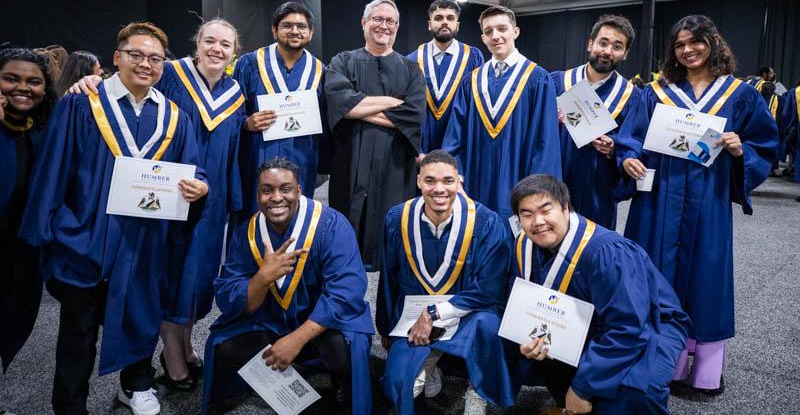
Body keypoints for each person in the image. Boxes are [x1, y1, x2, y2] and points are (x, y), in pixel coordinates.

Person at [19, 22, 209, 415]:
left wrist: (200, 188)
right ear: (117, 57)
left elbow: (193, 170)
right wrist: (47, 234)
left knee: (140, 315)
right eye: (136, 55)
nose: (145, 64)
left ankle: (135, 385)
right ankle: (70, 404)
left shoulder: (174, 117)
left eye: (155, 58)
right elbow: (53, 169)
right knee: (78, 329)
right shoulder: (81, 104)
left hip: (143, 240)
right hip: (85, 238)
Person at [68, 20, 247, 389]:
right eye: (209, 40)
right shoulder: (170, 75)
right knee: (169, 276)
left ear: (234, 53)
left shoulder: (235, 92)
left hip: (207, 204)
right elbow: (131, 93)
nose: (216, 48)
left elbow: (231, 151)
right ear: (195, 44)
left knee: (198, 279)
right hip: (162, 200)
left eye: (225, 44)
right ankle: (170, 353)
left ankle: (182, 343)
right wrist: (90, 82)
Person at [622, 15, 778, 394]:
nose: (688, 50)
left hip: (708, 200)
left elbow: (765, 144)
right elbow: (632, 135)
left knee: (707, 279)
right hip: (659, 199)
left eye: (696, 42)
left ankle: (708, 370)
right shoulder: (655, 91)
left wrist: (742, 150)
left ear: (713, 44)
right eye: (680, 45)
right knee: (659, 274)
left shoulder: (739, 94)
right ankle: (668, 363)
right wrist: (627, 156)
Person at [202, 157, 374, 414]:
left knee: (345, 350)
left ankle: (340, 380)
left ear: (299, 190)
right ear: (258, 193)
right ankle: (284, 382)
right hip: (271, 319)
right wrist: (262, 277)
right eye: (267, 190)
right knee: (226, 346)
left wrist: (295, 340)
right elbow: (228, 296)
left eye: (285, 189)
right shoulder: (247, 233)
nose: (276, 198)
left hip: (323, 323)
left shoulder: (331, 225)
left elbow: (345, 293)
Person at [508, 174, 690, 414]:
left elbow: (629, 327)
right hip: (586, 321)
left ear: (565, 207)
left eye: (545, 210)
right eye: (527, 214)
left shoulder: (606, 252)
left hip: (648, 325)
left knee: (631, 391)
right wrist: (526, 337)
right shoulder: (524, 243)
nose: (537, 221)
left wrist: (582, 388)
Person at [377, 150, 514, 414]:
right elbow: (389, 277)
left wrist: (436, 313)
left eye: (448, 181)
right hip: (414, 315)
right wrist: (386, 327)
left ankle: (477, 390)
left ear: (458, 182)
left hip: (468, 312)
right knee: (396, 382)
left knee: (489, 326)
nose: (439, 189)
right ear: (419, 181)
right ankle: (428, 363)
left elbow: (492, 287)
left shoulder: (486, 222)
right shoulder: (397, 219)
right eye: (430, 181)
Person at [324, 0, 426, 269]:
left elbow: (414, 115)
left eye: (390, 21)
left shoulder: (411, 69)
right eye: (377, 19)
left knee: (391, 226)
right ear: (364, 23)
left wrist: (356, 107)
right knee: (344, 231)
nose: (384, 26)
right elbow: (337, 104)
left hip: (394, 162)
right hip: (349, 158)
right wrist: (393, 103)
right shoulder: (342, 62)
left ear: (397, 26)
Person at [441, 5, 561, 223]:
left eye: (502, 29)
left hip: (520, 184)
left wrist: (537, 194)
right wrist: (454, 178)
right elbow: (455, 136)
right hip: (475, 185)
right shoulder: (471, 82)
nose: (495, 36)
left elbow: (545, 144)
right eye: (489, 32)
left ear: (515, 32)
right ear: (483, 38)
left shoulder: (538, 79)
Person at [550, 14, 646, 230]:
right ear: (590, 44)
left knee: (594, 245)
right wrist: (552, 124)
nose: (607, 51)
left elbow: (635, 141)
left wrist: (614, 149)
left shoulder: (631, 96)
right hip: (555, 177)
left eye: (617, 46)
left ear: (625, 54)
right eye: (603, 43)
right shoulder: (556, 82)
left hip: (598, 187)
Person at [234, 2, 325, 225]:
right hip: (257, 155)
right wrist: (246, 124)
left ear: (311, 33)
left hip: (301, 156)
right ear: (274, 30)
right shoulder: (250, 63)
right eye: (287, 25)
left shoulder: (320, 70)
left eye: (302, 27)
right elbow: (231, 111)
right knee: (252, 217)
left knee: (297, 215)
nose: (295, 31)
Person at [0, 48, 57, 377]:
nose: (23, 87)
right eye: (11, 78)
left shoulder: (44, 129)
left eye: (33, 82)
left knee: (11, 323)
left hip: (23, 250)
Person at [406, 0, 485, 153]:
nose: (444, 22)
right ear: (429, 24)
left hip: (460, 141)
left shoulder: (473, 57)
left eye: (450, 18)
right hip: (422, 144)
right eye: (438, 18)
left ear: (457, 25)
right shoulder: (412, 60)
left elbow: (478, 106)